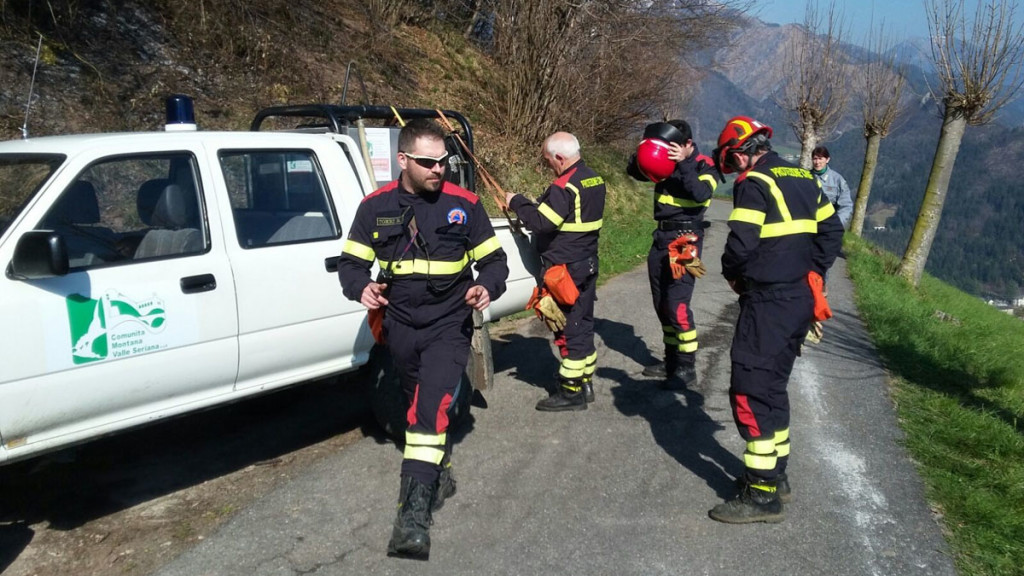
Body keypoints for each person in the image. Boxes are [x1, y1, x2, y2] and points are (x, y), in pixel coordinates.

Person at [337, 118, 509, 559]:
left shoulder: (465, 204)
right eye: (428, 162)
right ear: (403, 160)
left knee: (427, 411)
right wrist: (361, 287)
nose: (439, 170)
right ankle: (440, 471)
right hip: (399, 328)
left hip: (448, 325)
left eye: (444, 161)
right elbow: (351, 265)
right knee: (419, 404)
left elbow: (495, 263)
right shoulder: (374, 207)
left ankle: (411, 520)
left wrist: (487, 286)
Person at [709, 116, 843, 523]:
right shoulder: (803, 176)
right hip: (799, 297)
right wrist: (811, 272)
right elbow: (832, 232)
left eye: (731, 161)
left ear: (740, 151)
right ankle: (776, 475)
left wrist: (733, 274)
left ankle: (762, 495)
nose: (732, 169)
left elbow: (740, 245)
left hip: (767, 301)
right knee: (774, 387)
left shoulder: (754, 183)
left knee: (750, 389)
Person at [506, 132, 607, 411]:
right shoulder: (593, 178)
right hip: (587, 262)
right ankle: (584, 382)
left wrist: (517, 202)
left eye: (549, 160)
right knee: (584, 323)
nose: (549, 165)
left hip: (565, 270)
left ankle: (571, 391)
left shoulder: (564, 186)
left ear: (560, 158)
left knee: (568, 327)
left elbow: (541, 222)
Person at [626, 120, 718, 389]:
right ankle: (670, 362)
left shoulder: (704, 164)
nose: (670, 151)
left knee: (677, 304)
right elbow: (636, 171)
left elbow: (700, 194)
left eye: (676, 146)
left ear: (688, 144)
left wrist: (683, 163)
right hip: (661, 237)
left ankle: (687, 367)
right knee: (662, 303)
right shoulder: (663, 160)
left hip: (685, 241)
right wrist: (641, 152)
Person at [810, 146, 853, 229]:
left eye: (820, 158)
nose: (817, 162)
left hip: (828, 225)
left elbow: (846, 206)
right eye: (815, 159)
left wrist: (836, 225)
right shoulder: (805, 177)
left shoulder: (838, 180)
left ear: (827, 159)